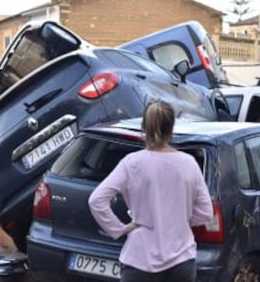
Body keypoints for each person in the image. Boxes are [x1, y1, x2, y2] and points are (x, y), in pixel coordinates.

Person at [88, 100, 213, 282]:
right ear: (171, 127)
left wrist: (119, 229)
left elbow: (96, 200)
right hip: (182, 261)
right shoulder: (189, 163)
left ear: (144, 127)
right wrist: (178, 219)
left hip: (140, 259)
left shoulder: (132, 163)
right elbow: (205, 212)